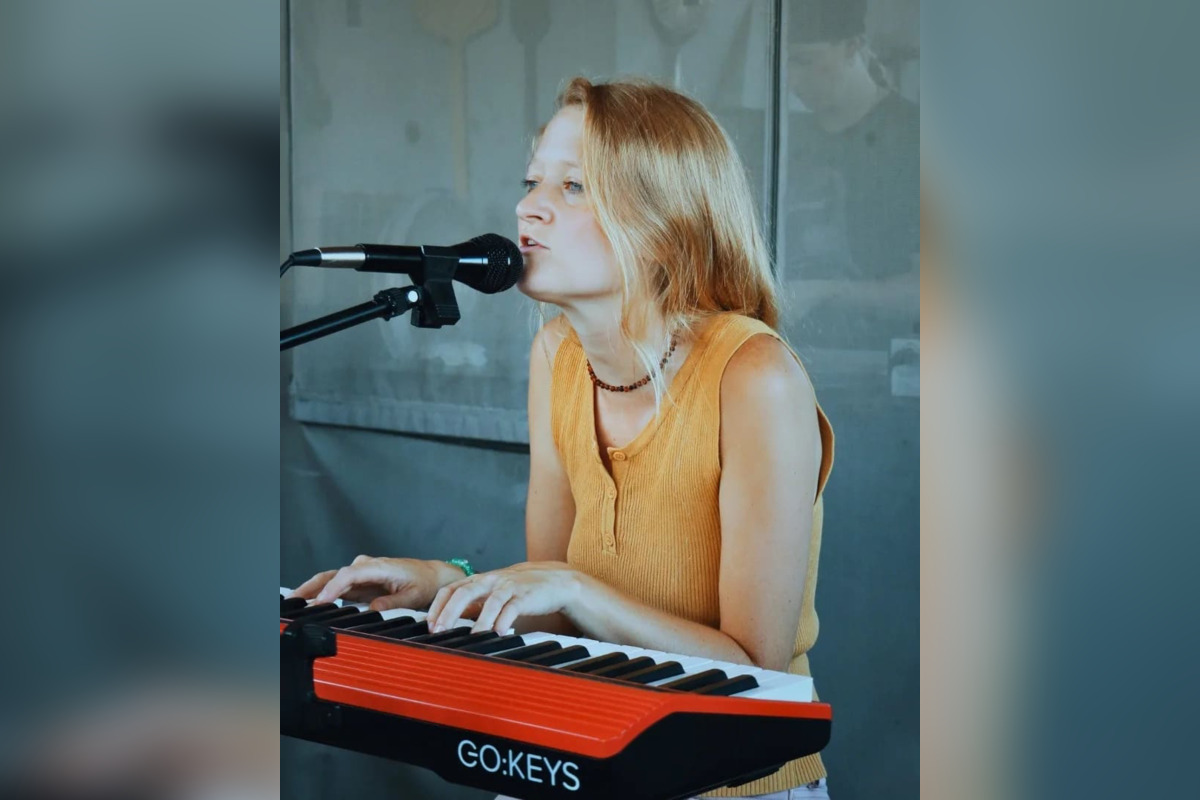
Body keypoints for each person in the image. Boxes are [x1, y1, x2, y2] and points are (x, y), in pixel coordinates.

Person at [291, 76, 835, 799]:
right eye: (532, 181)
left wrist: (575, 587)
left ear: (665, 221)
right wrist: (445, 586)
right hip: (587, 748)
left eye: (573, 186)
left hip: (729, 779)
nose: (528, 207)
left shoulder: (754, 376)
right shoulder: (557, 355)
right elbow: (553, 608)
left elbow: (752, 669)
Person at [783, 0, 920, 352]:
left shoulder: (918, 139)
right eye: (786, 63)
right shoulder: (783, 138)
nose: (792, 81)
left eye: (805, 60)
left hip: (889, 366)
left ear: (852, 47)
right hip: (790, 357)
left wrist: (825, 292)